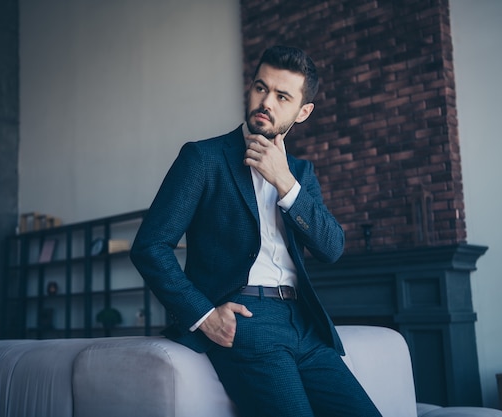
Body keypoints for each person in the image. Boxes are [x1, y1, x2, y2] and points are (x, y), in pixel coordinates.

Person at [130, 45, 382, 417]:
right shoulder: (203, 159)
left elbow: (332, 248)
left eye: (282, 96)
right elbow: (150, 246)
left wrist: (285, 182)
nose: (267, 102)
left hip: (306, 324)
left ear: (303, 112)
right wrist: (204, 316)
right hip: (247, 320)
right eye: (261, 88)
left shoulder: (302, 172)